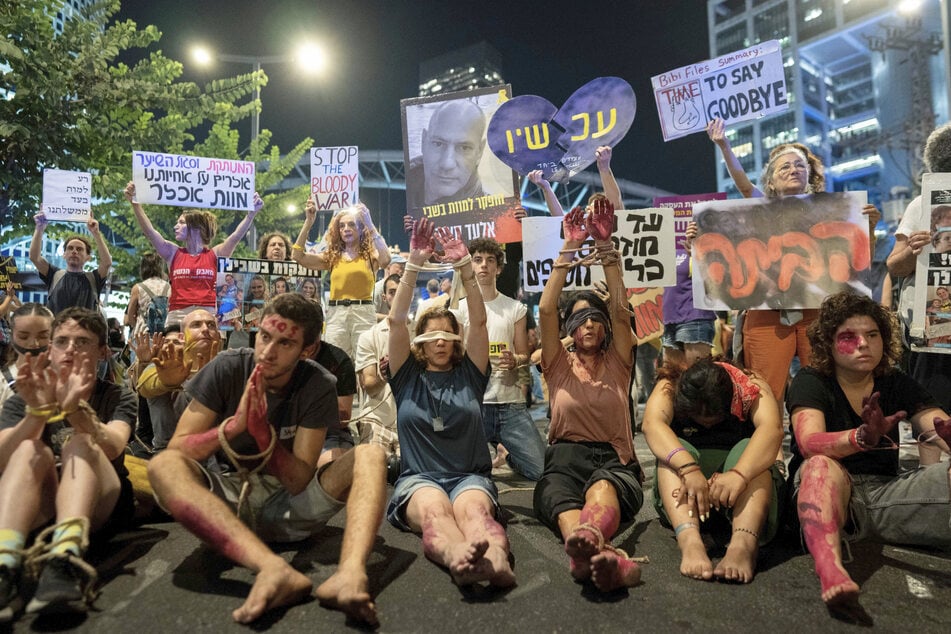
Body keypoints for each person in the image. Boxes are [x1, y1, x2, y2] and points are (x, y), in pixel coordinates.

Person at [147, 293, 386, 625]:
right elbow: (179, 450)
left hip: (289, 504)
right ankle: (273, 570)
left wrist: (264, 437)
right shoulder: (228, 367)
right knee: (162, 465)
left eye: (285, 343)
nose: (268, 352)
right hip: (231, 502)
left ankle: (351, 575)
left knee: (371, 454)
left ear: (306, 350)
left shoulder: (318, 383)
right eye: (265, 336)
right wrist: (232, 428)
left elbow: (299, 479)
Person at [786, 290, 951, 607]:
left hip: (884, 496)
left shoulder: (894, 380)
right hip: (829, 493)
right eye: (849, 336)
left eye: (873, 335)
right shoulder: (811, 380)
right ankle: (830, 568)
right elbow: (809, 443)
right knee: (821, 467)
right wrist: (859, 438)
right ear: (829, 343)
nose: (864, 344)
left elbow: (936, 423)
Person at [705, 117, 880, 408]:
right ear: (770, 181)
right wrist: (724, 145)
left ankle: (814, 446)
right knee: (764, 392)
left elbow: (857, 264)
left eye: (800, 165)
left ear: (810, 176)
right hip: (768, 316)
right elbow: (744, 185)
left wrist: (869, 227)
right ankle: (766, 451)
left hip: (818, 314)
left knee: (824, 387)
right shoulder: (760, 208)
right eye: (784, 166)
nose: (793, 169)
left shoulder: (834, 212)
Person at [385, 218, 515, 588]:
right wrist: (413, 262)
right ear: (420, 343)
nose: (441, 341)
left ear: (456, 341)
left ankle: (496, 560)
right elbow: (396, 323)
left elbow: (478, 321)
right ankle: (457, 558)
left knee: (476, 513)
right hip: (420, 478)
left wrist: (463, 267)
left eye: (448, 335)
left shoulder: (471, 374)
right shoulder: (406, 377)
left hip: (470, 477)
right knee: (434, 514)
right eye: (432, 335)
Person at [533, 201, 644, 593]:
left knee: (602, 491)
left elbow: (619, 309)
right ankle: (591, 548)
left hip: (613, 459)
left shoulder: (620, 361)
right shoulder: (558, 363)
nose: (591, 324)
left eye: (596, 318)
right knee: (560, 502)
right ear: (570, 330)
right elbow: (547, 310)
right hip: (564, 458)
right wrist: (569, 247)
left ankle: (590, 540)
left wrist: (605, 246)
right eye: (581, 319)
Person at [0, 308, 136, 618]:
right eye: (61, 341)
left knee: (81, 441)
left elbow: (114, 446)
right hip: (42, 503)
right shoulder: (25, 396)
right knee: (28, 450)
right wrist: (36, 412)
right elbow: (2, 459)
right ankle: (4, 566)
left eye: (83, 341)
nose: (70, 349)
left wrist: (74, 410)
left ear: (102, 352)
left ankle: (65, 559)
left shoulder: (117, 396)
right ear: (50, 349)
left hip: (100, 502)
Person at [641, 357, 783, 582]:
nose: (706, 423)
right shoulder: (671, 384)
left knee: (751, 449)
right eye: (698, 417)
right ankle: (690, 541)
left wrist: (739, 475)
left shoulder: (750, 386)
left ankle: (743, 546)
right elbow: (651, 424)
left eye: (714, 417)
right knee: (670, 454)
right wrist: (688, 469)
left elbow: (772, 430)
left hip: (742, 492)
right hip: (687, 495)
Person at [456, 237, 546, 481]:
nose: (483, 265)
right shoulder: (459, 309)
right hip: (474, 405)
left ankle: (509, 456)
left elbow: (524, 354)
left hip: (510, 405)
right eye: (477, 260)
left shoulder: (515, 308)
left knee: (541, 470)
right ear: (471, 266)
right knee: (465, 472)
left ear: (499, 268)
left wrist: (515, 360)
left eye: (490, 260)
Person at [123, 181, 262, 326]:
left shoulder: (215, 254)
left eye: (181, 223)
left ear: (196, 227)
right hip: (177, 316)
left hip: (206, 315)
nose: (175, 226)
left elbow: (235, 237)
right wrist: (135, 204)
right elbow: (150, 232)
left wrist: (251, 215)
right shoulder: (172, 252)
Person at [887, 122, 951, 412]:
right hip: (935, 328)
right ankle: (933, 461)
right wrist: (914, 249)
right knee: (934, 412)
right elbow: (895, 265)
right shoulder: (921, 204)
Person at [291, 201, 390, 357]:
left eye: (351, 225)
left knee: (366, 360)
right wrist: (309, 222)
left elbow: (386, 260)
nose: (346, 229)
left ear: (360, 228)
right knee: (335, 362)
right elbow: (297, 256)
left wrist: (370, 224)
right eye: (342, 226)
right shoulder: (333, 257)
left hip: (363, 313)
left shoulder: (371, 255)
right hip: (336, 314)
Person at [137, 310, 220, 451]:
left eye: (211, 325)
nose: (205, 329)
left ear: (218, 335)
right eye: (196, 325)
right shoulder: (163, 366)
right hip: (169, 455)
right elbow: (144, 387)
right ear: (182, 337)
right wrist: (166, 382)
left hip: (219, 458)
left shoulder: (228, 365)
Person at [406, 100, 487, 213]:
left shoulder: (495, 217)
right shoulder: (401, 196)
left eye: (464, 148)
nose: (447, 164)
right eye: (438, 144)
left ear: (480, 152)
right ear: (423, 142)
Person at [354, 274, 401, 459]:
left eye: (401, 292)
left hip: (411, 422)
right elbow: (370, 386)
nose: (397, 296)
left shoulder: (420, 335)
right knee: (370, 465)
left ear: (410, 294)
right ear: (384, 297)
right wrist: (384, 374)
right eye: (392, 292)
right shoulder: (369, 337)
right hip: (377, 419)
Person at [29, 213, 112, 315]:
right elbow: (34, 257)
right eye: (70, 248)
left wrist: (96, 233)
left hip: (85, 330)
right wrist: (39, 228)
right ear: (64, 254)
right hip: (58, 330)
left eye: (79, 249)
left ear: (88, 258)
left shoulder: (94, 278)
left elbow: (107, 263)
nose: (74, 251)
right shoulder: (54, 275)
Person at [0, 304, 54, 411]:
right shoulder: (2, 382)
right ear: (12, 337)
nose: (34, 344)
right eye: (23, 337)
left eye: (43, 336)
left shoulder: (65, 377)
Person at [124, 253, 171, 337]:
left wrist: (137, 325)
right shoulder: (169, 287)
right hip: (164, 334)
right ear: (160, 268)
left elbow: (130, 316)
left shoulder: (138, 288)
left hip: (143, 335)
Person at [373, 254, 406, 319]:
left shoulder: (402, 288)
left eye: (404, 268)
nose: (403, 271)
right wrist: (391, 319)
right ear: (388, 268)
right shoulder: (377, 289)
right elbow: (371, 315)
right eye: (400, 267)